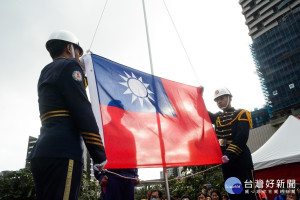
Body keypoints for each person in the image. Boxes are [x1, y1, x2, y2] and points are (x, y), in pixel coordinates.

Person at [28, 30, 107, 199]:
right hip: (64, 151)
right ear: (69, 48)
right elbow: (81, 110)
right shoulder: (70, 66)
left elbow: (66, 95)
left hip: (43, 152)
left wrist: (82, 76)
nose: (79, 58)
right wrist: (99, 155)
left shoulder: (46, 70)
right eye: (79, 53)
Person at [208, 88, 257, 200]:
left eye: (222, 98)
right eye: (217, 101)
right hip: (225, 160)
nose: (219, 102)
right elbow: (203, 113)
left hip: (239, 156)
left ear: (230, 98)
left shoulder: (241, 113)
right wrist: (198, 97)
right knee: (233, 191)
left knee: (247, 191)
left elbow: (242, 137)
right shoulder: (218, 117)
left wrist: (229, 154)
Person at [94, 100, 139, 200]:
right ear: (109, 111)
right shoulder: (103, 132)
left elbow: (133, 158)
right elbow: (97, 154)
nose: (118, 112)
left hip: (128, 178)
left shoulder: (129, 134)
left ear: (123, 112)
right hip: (111, 178)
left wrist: (135, 175)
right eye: (114, 109)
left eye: (120, 110)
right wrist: (100, 176)